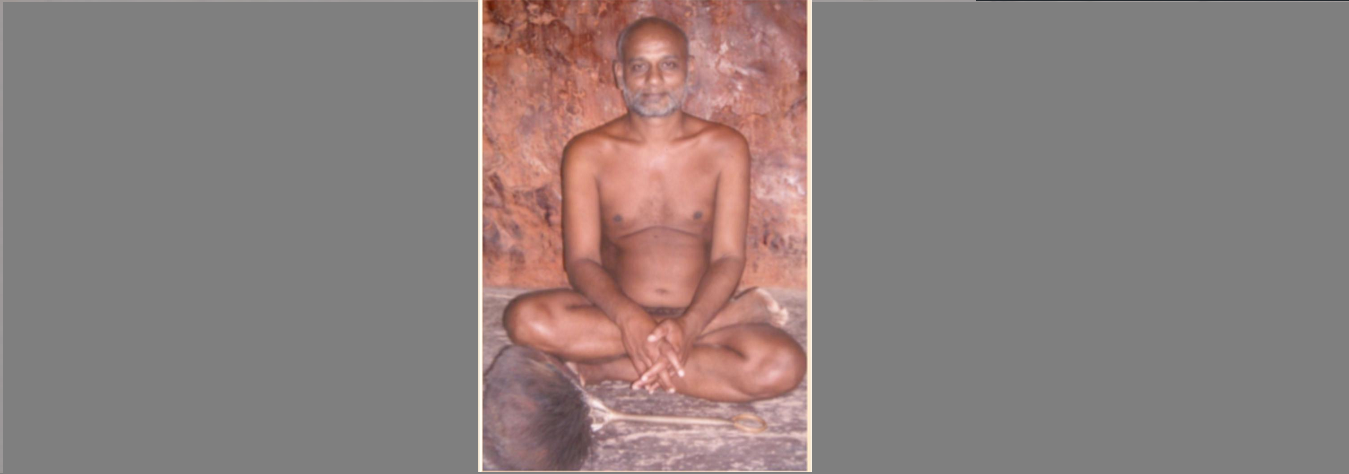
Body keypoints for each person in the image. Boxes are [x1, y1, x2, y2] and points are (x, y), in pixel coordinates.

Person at [503, 17, 806, 403]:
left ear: (689, 70)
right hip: (613, 314)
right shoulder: (587, 152)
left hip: (699, 310)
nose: (653, 80)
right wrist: (628, 318)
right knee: (525, 320)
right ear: (620, 74)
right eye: (639, 66)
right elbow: (581, 261)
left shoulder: (725, 147)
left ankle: (601, 369)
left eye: (669, 64)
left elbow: (728, 257)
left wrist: (690, 325)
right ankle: (729, 319)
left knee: (782, 365)